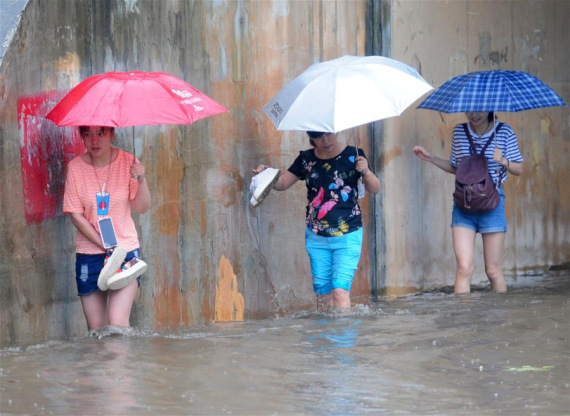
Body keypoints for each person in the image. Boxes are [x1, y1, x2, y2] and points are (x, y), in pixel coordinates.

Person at [253, 131, 381, 311]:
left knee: (339, 290)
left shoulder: (355, 155)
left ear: (335, 131)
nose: (325, 140)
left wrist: (366, 171)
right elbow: (282, 184)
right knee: (324, 294)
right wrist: (266, 175)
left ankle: (343, 337)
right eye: (319, 137)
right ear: (311, 138)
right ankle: (326, 337)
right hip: (316, 236)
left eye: (328, 135)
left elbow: (375, 188)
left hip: (348, 234)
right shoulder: (306, 159)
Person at [413, 111, 523, 293]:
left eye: (479, 109)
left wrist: (503, 160)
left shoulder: (504, 132)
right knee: (464, 268)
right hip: (464, 204)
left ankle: (500, 318)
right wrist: (431, 158)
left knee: (493, 271)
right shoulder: (459, 132)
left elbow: (519, 168)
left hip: (492, 204)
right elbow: (457, 168)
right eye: (470, 109)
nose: (474, 114)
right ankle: (462, 319)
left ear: (489, 108)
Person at [63, 126, 151, 331]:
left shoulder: (129, 162)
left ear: (112, 134)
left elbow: (142, 207)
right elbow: (75, 215)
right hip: (90, 254)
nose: (95, 140)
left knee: (117, 324)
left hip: (124, 252)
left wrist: (142, 179)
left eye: (101, 133)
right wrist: (103, 243)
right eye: (88, 134)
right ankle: (101, 365)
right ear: (82, 137)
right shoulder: (75, 168)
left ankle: (120, 364)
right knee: (97, 329)